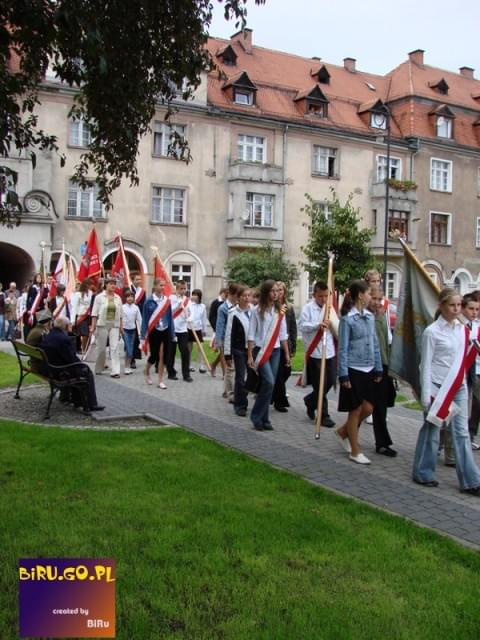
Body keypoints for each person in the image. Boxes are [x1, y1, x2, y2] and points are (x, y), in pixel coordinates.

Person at [413, 288, 480, 495]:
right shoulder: (431, 332)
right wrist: (425, 396)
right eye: (452, 305)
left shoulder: (461, 330)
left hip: (458, 387)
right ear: (441, 306)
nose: (456, 309)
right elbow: (425, 366)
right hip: (437, 388)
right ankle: (423, 472)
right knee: (432, 431)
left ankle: (471, 481)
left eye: (459, 305)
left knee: (461, 433)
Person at [335, 280, 383, 465]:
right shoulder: (347, 319)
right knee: (354, 410)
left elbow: (375, 343)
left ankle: (342, 432)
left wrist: (378, 367)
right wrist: (343, 374)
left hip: (369, 367)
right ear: (360, 295)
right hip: (354, 368)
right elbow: (343, 348)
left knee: (369, 408)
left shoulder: (370, 317)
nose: (371, 296)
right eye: (369, 293)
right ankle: (355, 450)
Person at [247, 280, 290, 431]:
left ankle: (264, 418)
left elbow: (283, 334)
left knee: (268, 385)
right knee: (270, 382)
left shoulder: (280, 311)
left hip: (276, 350)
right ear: (266, 292)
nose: (276, 294)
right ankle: (256, 416)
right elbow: (251, 334)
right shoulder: (256, 311)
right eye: (272, 291)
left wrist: (287, 353)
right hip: (260, 350)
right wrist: (250, 355)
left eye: (277, 291)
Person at [41, 316, 104, 412]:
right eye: (70, 324)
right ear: (66, 326)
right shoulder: (64, 339)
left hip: (49, 368)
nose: (71, 326)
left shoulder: (50, 335)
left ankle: (75, 400)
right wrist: (82, 365)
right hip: (58, 371)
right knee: (86, 372)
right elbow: (71, 359)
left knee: (78, 370)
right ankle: (91, 404)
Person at [299, 280, 338, 426]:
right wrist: (317, 325)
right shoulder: (307, 308)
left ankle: (310, 400)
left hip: (329, 351)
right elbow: (302, 326)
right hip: (315, 352)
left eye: (325, 296)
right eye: (320, 296)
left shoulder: (330, 308)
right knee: (320, 384)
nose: (323, 299)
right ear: (314, 294)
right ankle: (323, 415)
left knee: (330, 381)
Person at [368, 286, 397, 457]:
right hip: (369, 367)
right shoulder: (365, 318)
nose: (378, 303)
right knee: (365, 407)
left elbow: (386, 341)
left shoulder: (382, 316)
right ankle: (346, 432)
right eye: (375, 299)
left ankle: (382, 442)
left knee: (380, 405)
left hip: (383, 365)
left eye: (380, 299)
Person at [141, 278, 175, 389]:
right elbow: (145, 319)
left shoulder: (167, 301)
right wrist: (143, 336)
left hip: (165, 330)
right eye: (161, 285)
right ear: (155, 286)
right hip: (153, 330)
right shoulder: (148, 302)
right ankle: (146, 370)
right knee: (154, 355)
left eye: (164, 285)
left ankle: (160, 380)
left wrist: (172, 333)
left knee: (163, 355)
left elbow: (170, 317)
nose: (163, 287)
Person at [224, 285, 251, 416]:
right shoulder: (233, 313)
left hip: (252, 349)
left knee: (252, 377)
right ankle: (240, 404)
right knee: (240, 377)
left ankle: (244, 395)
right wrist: (227, 354)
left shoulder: (254, 312)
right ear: (238, 298)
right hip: (239, 349)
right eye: (244, 296)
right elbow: (228, 334)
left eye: (248, 296)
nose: (246, 298)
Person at [90, 277, 123, 378]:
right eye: (111, 284)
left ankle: (115, 371)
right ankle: (99, 367)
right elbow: (94, 313)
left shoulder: (118, 298)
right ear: (106, 285)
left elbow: (121, 314)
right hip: (102, 324)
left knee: (114, 347)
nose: (113, 286)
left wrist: (122, 327)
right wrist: (93, 326)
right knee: (102, 348)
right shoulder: (99, 297)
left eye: (114, 284)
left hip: (114, 325)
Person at [271, 281, 297, 412]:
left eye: (281, 290)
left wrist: (293, 347)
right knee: (279, 373)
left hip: (286, 344)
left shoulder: (289, 307)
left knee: (286, 371)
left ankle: (273, 394)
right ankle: (280, 401)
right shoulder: (272, 307)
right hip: (274, 345)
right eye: (277, 289)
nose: (279, 292)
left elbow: (292, 327)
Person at [462, 292, 480, 451]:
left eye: (477, 309)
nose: (474, 312)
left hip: (473, 371)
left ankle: (468, 436)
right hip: (460, 371)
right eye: (471, 308)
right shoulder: (460, 325)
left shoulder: (476, 326)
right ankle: (441, 443)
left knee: (474, 404)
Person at [216, 283, 239, 400]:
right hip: (226, 340)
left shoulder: (238, 307)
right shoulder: (223, 308)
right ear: (231, 294)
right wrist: (218, 342)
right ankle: (229, 392)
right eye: (236, 295)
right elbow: (219, 326)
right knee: (229, 367)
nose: (238, 298)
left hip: (237, 341)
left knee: (233, 367)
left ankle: (227, 390)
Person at [167, 280, 192, 382]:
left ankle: (186, 374)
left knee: (185, 352)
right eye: (181, 289)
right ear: (177, 289)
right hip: (172, 329)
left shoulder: (187, 300)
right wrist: (177, 305)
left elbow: (190, 312)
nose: (183, 291)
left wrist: (190, 317)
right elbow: (168, 312)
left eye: (184, 288)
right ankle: (171, 373)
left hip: (183, 329)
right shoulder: (171, 298)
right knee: (171, 352)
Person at [187, 289, 208, 373]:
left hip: (198, 328)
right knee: (189, 348)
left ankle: (202, 366)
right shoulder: (189, 305)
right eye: (193, 294)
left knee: (200, 348)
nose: (195, 296)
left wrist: (204, 329)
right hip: (189, 328)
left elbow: (203, 318)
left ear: (199, 296)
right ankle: (189, 365)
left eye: (196, 295)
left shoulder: (202, 306)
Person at [208, 287, 227, 378]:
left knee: (224, 352)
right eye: (225, 294)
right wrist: (216, 328)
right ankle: (224, 373)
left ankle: (214, 364)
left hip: (227, 331)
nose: (225, 296)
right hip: (218, 330)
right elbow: (211, 317)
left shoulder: (227, 303)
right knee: (222, 352)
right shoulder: (216, 303)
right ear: (221, 293)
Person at [122, 291, 142, 375]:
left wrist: (141, 331)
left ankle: (127, 366)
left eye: (131, 296)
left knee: (131, 349)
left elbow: (139, 320)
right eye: (128, 296)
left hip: (132, 330)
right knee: (128, 349)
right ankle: (126, 366)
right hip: (124, 330)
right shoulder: (122, 307)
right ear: (125, 298)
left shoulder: (136, 308)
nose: (130, 298)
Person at [71, 278, 93, 353]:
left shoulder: (91, 293)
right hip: (81, 316)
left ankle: (87, 350)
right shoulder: (78, 294)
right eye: (89, 285)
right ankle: (84, 350)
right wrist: (73, 320)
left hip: (89, 316)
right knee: (84, 334)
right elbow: (74, 307)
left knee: (88, 333)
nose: (90, 286)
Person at [130, 273, 146, 369]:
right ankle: (130, 357)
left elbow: (143, 304)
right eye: (137, 279)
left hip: (138, 316)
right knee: (130, 339)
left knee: (136, 339)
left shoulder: (142, 292)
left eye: (140, 279)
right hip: (129, 318)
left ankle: (133, 359)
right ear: (132, 280)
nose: (139, 281)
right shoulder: (128, 289)